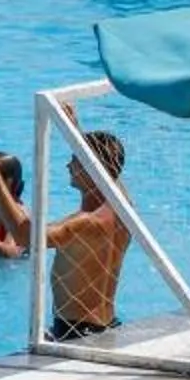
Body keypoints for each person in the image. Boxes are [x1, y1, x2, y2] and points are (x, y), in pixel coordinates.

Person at [46, 127, 133, 340]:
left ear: (91, 167)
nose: (68, 165)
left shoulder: (85, 223)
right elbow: (110, 172)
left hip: (75, 330)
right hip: (109, 322)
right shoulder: (124, 208)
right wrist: (74, 128)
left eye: (75, 159)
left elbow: (25, 236)